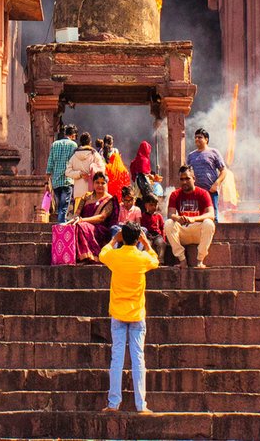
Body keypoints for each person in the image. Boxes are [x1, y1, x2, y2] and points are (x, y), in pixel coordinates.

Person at [100, 222, 159, 413]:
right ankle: (141, 405)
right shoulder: (142, 258)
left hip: (118, 313)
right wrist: (147, 243)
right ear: (138, 238)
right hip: (137, 314)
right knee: (138, 359)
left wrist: (113, 240)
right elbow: (155, 260)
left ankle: (113, 404)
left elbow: (102, 254)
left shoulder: (115, 256)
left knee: (116, 359)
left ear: (122, 237)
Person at [162, 167, 216, 269]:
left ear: (194, 178)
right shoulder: (175, 194)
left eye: (187, 178)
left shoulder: (203, 193)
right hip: (183, 231)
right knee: (169, 223)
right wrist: (178, 218)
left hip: (197, 231)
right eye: (182, 179)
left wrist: (194, 219)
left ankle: (200, 260)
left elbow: (211, 215)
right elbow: (171, 214)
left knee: (209, 223)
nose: (184, 182)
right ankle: (182, 260)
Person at [72, 171, 119, 263]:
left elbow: (102, 217)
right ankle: (78, 256)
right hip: (83, 224)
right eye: (97, 182)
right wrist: (75, 218)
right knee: (74, 226)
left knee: (82, 226)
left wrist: (82, 220)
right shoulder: (86, 196)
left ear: (106, 184)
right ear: (93, 183)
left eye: (102, 183)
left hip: (101, 229)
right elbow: (77, 212)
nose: (100, 185)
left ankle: (91, 256)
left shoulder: (109, 200)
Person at [185, 128, 228, 221]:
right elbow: (186, 173)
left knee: (213, 217)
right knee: (195, 217)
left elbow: (224, 171)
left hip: (210, 191)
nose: (197, 139)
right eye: (195, 137)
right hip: (195, 192)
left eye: (199, 137)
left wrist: (216, 184)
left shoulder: (214, 152)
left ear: (206, 139)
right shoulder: (191, 155)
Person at [45, 125, 80, 223]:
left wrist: (46, 182)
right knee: (63, 209)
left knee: (60, 207)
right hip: (67, 180)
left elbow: (50, 164)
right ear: (73, 135)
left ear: (65, 133)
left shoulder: (55, 144)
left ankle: (60, 228)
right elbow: (75, 163)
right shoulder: (73, 145)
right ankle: (61, 231)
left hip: (56, 182)